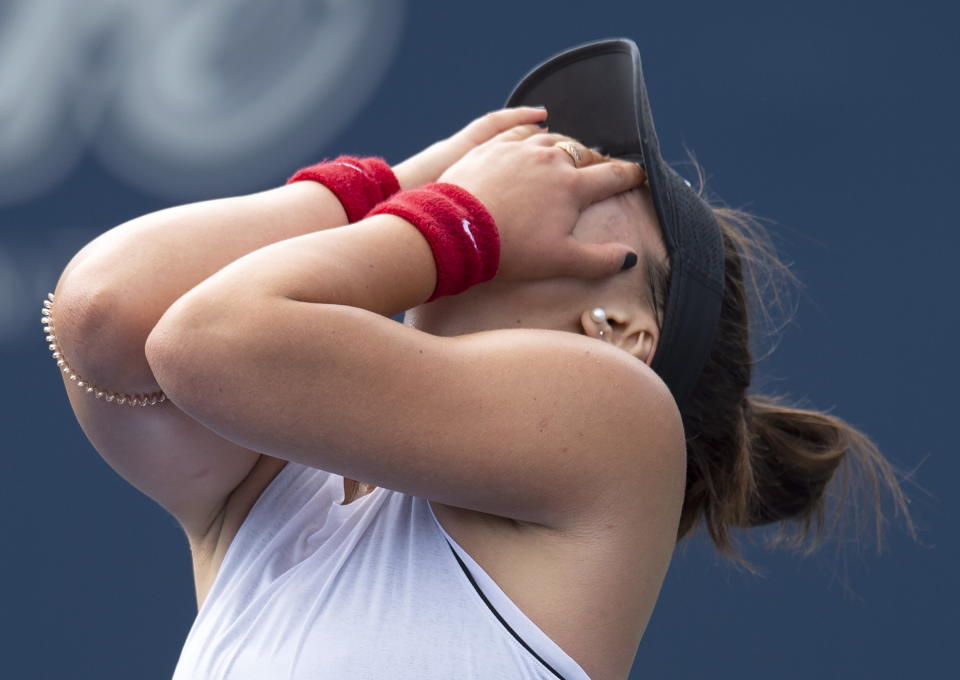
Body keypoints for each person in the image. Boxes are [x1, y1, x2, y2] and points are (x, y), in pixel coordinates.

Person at [44, 48, 918, 680]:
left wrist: (458, 217)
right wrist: (401, 186)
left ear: (619, 328)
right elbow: (105, 310)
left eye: (599, 185)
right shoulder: (290, 483)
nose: (549, 166)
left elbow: (205, 342)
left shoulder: (618, 417)